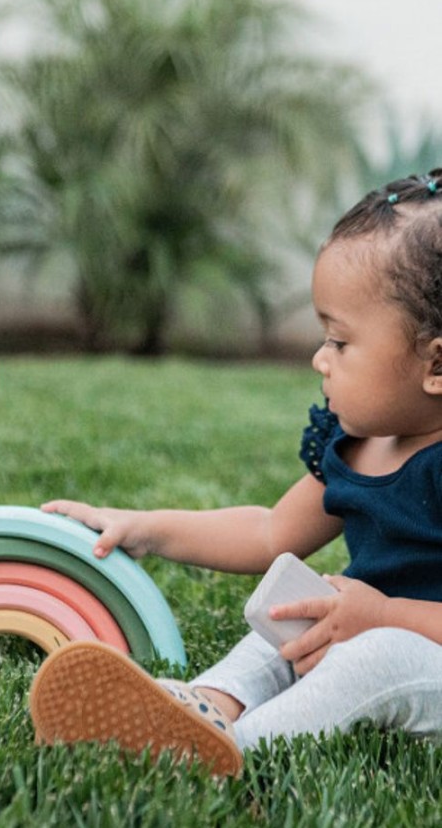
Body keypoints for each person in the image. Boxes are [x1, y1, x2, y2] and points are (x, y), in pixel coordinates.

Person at [29, 170, 442, 777]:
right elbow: (271, 532)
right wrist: (145, 528)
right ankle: (209, 705)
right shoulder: (355, 444)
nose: (318, 358)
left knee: (375, 655)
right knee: (291, 609)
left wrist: (385, 616)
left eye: (340, 342)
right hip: (364, 625)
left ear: (436, 363)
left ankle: (236, 753)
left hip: (419, 652)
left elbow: (388, 634)